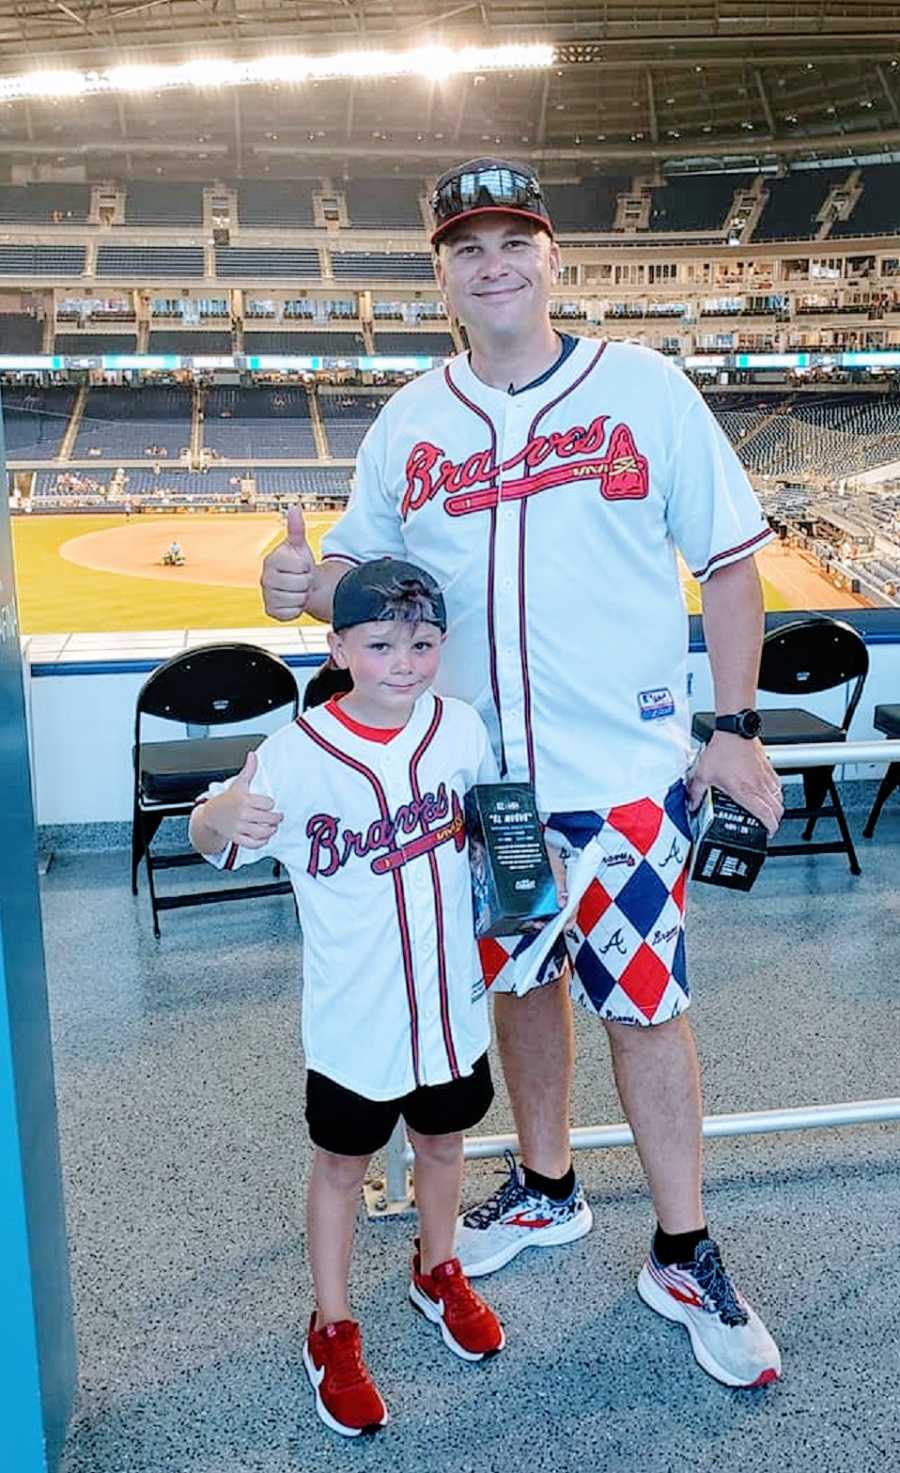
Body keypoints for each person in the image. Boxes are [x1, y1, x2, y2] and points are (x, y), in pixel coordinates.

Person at [260, 158, 784, 1389]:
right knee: (522, 987)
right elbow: (355, 589)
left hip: (625, 774)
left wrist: (737, 721)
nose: (492, 262)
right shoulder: (411, 421)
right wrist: (292, 590)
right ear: (440, 274)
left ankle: (683, 1246)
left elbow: (731, 563)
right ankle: (548, 1187)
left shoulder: (645, 390)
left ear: (553, 259)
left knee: (647, 1007)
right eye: (465, 246)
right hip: (479, 790)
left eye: (515, 241)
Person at [190, 559, 505, 1438]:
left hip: (448, 1004)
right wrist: (222, 816)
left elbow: (481, 827)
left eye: (422, 643)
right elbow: (207, 831)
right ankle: (330, 1325)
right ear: (337, 646)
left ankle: (436, 1268)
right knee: (340, 1165)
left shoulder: (460, 728)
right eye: (379, 644)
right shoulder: (296, 752)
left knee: (444, 1140)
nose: (403, 662)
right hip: (354, 1017)